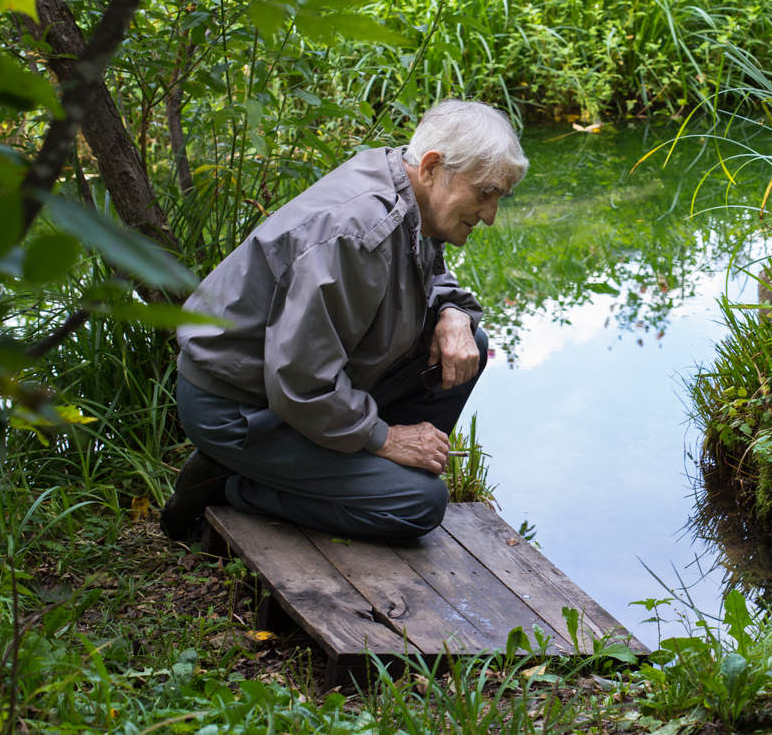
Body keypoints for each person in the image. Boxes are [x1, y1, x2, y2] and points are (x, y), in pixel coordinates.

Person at [160, 100, 528, 543]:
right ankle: (233, 485)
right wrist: (384, 438)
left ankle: (344, 469)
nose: (490, 214)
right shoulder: (358, 234)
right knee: (418, 504)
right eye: (485, 193)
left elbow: (426, 274)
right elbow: (301, 382)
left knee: (469, 344)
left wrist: (453, 313)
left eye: (499, 198)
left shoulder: (405, 190)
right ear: (433, 167)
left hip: (288, 392)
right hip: (240, 406)